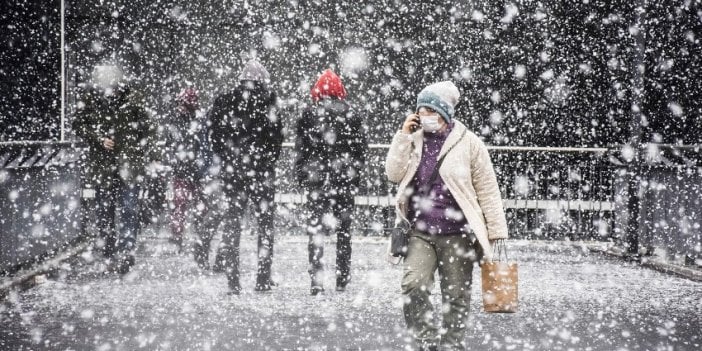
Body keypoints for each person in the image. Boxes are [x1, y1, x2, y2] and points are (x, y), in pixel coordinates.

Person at [384, 81, 508, 351]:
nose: (425, 115)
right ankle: (426, 342)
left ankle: (452, 345)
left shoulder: (469, 143)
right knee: (413, 286)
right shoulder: (414, 140)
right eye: (421, 110)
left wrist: (497, 231)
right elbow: (393, 174)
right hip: (419, 231)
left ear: (445, 112)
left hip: (458, 234)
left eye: (431, 109)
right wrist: (403, 135)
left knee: (456, 296)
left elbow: (487, 189)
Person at [208, 59, 283, 294]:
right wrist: (266, 160)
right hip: (261, 173)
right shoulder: (269, 102)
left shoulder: (224, 101)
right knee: (265, 225)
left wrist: (229, 159)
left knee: (232, 223)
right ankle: (262, 277)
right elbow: (276, 138)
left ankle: (233, 280)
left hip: (233, 173)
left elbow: (214, 137)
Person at [73, 65, 155, 274]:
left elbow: (149, 128)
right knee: (104, 212)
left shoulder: (134, 99)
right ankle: (109, 251)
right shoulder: (90, 100)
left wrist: (138, 149)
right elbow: (78, 124)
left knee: (128, 209)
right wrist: (98, 138)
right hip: (103, 166)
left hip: (128, 165)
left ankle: (126, 251)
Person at [294, 69, 367, 295]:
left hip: (317, 180)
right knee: (344, 231)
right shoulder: (352, 114)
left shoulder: (308, 113)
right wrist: (355, 175)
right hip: (344, 179)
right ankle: (342, 278)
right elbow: (359, 150)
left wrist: (302, 174)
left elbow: (301, 149)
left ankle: (317, 280)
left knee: (316, 230)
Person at [164, 87, 214, 255]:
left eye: (183, 103)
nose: (180, 107)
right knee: (181, 207)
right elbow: (171, 143)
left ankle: (193, 237)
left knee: (188, 207)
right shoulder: (192, 120)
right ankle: (184, 238)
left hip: (193, 171)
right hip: (186, 170)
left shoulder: (197, 121)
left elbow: (205, 146)